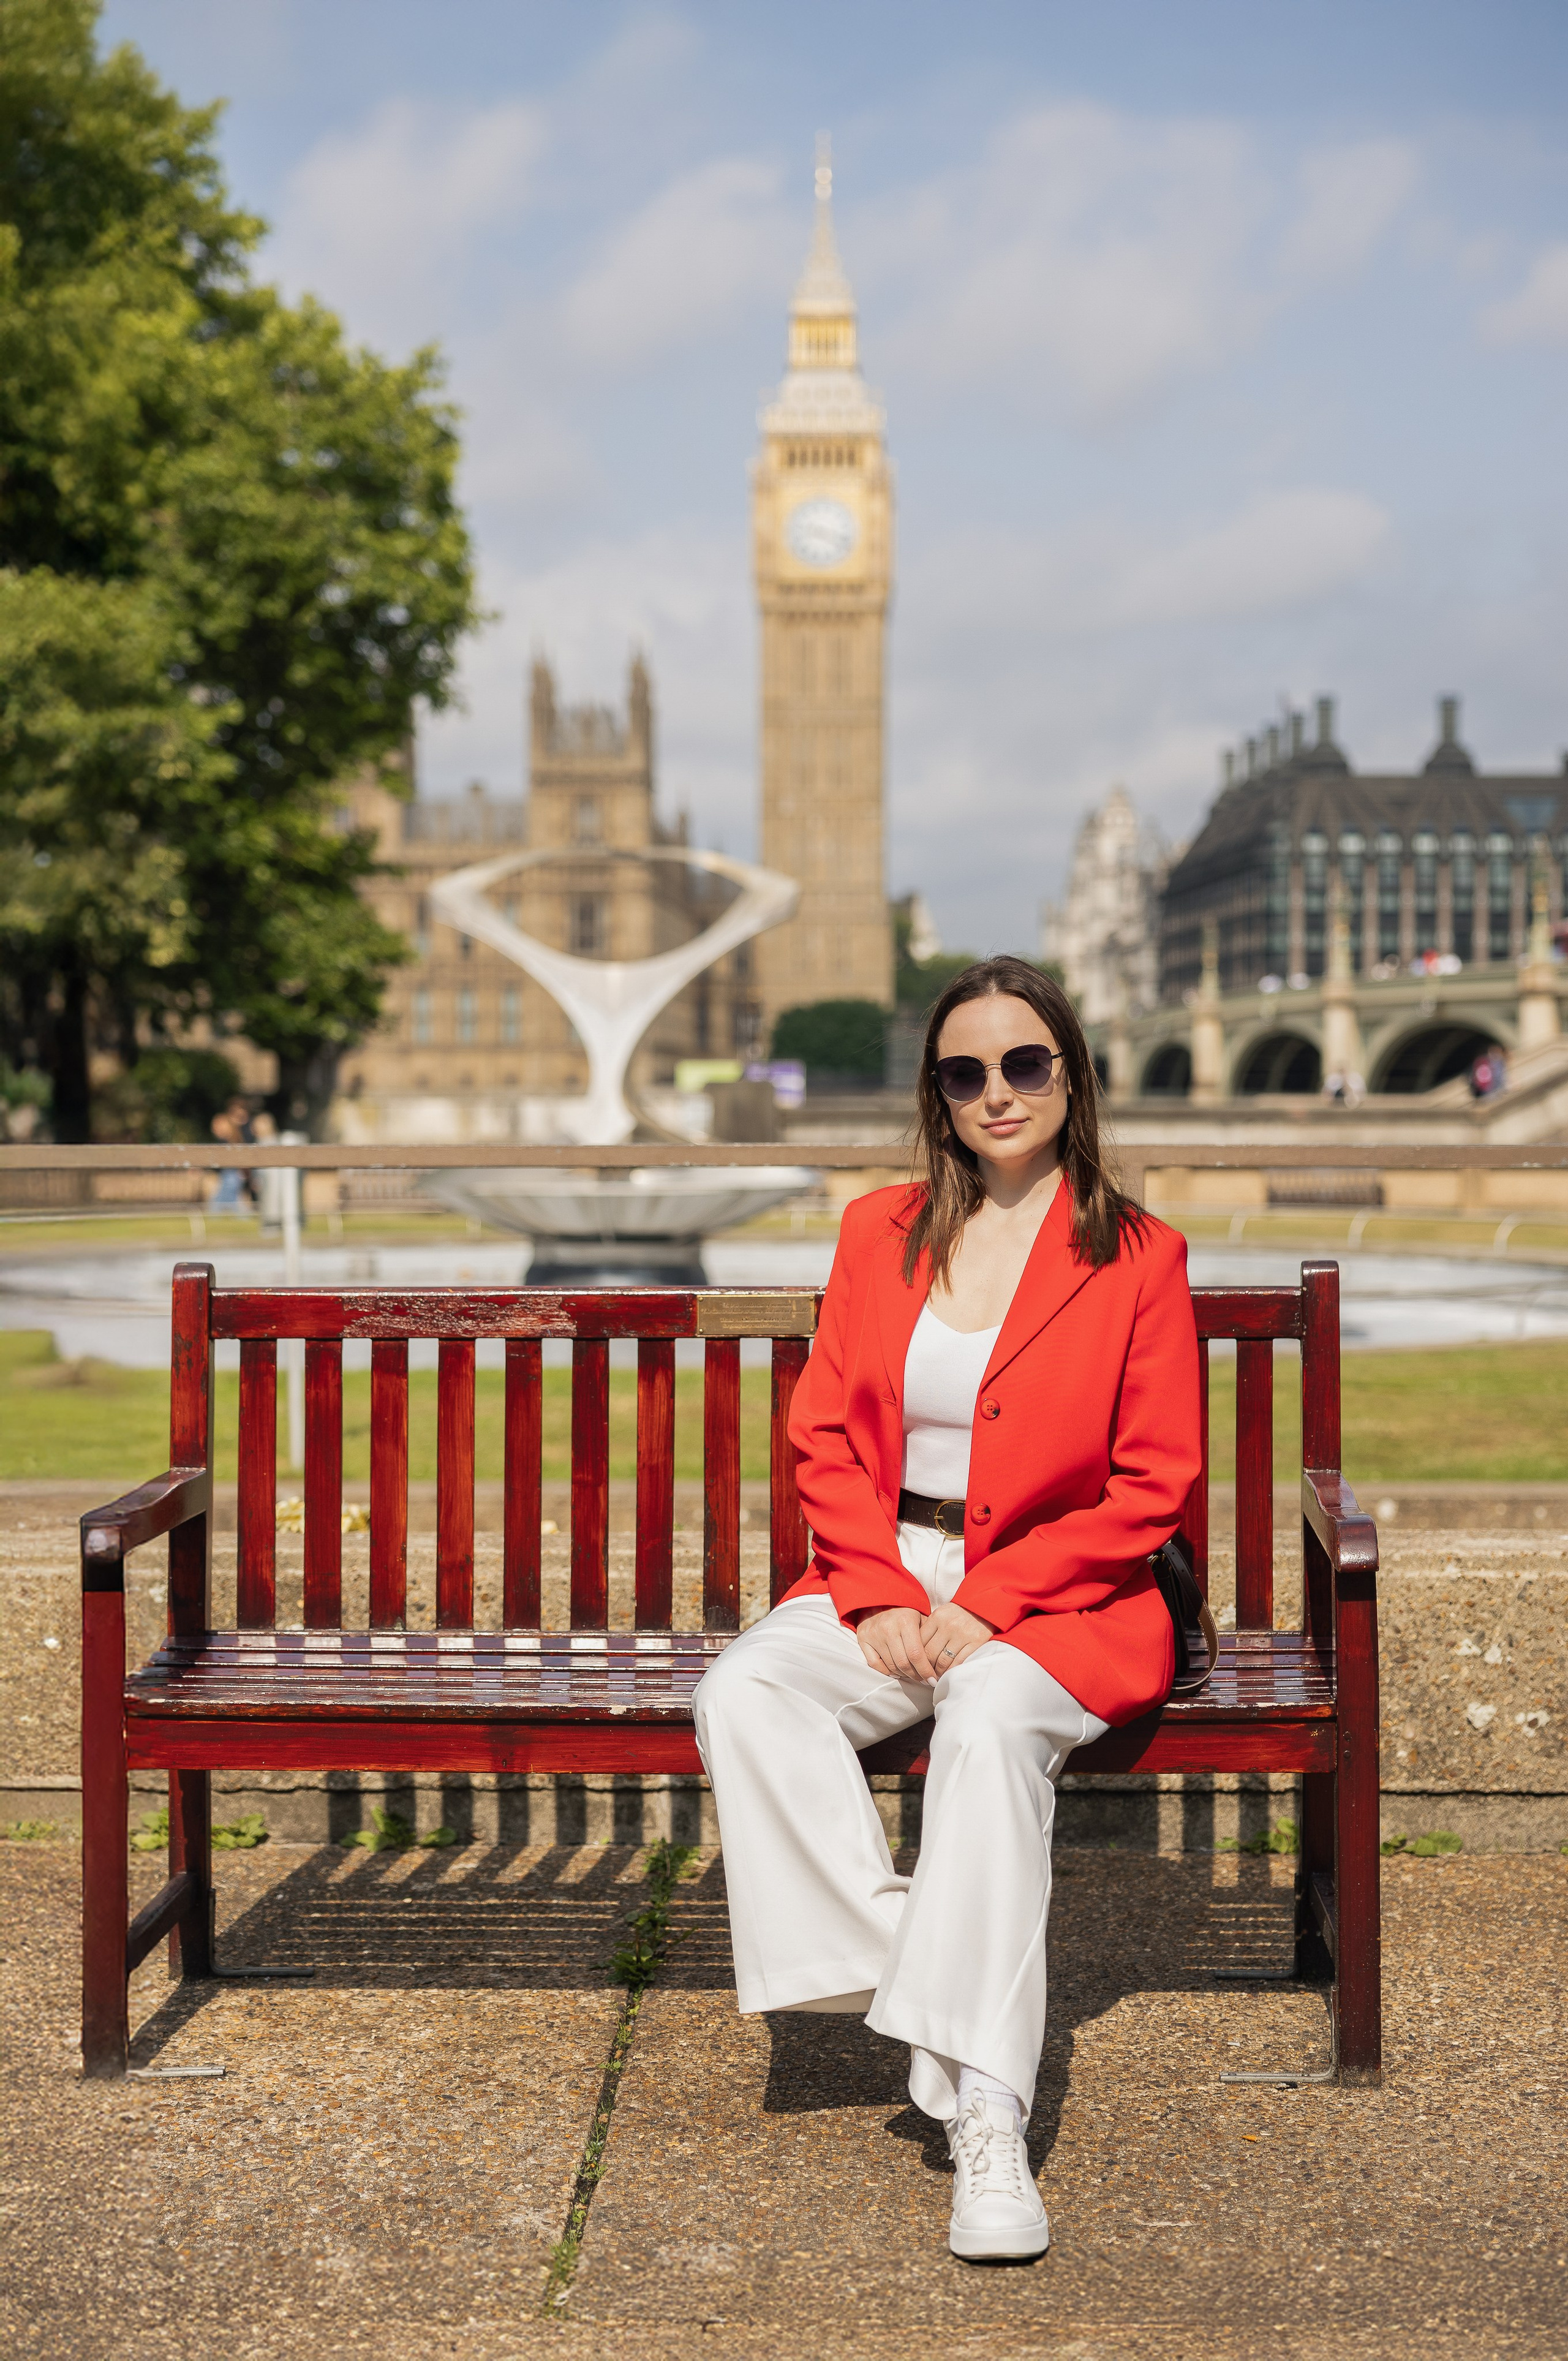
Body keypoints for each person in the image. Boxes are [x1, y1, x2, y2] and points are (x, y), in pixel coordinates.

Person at [693, 954, 1201, 2263]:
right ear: (935, 1090)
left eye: (1023, 1063)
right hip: (883, 1578)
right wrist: (868, 1587)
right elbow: (822, 1437)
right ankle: (934, 1972)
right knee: (741, 1693)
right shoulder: (878, 1230)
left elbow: (1153, 1484)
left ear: (1070, 1075)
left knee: (980, 1717)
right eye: (963, 1070)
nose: (996, 1092)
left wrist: (992, 1600)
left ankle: (989, 2117)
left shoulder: (1137, 1255)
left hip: (1063, 1597)